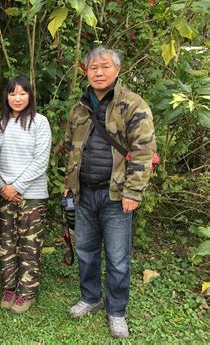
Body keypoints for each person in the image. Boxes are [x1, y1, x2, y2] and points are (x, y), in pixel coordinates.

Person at [64, 47, 157, 338]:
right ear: (86, 72)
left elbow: (144, 152)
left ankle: (116, 310)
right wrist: (69, 183)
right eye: (93, 68)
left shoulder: (133, 105)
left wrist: (133, 192)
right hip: (84, 194)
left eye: (105, 67)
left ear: (117, 70)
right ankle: (90, 297)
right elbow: (69, 148)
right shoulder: (79, 107)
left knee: (117, 258)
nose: (99, 72)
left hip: (117, 196)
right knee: (85, 251)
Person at [0, 76, 52, 315]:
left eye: (22, 93)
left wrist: (17, 187)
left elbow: (41, 160)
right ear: (6, 97)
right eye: (12, 93)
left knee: (29, 246)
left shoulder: (40, 122)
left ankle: (26, 292)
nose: (17, 98)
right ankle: (9, 288)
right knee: (6, 244)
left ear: (30, 96)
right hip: (4, 193)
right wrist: (2, 187)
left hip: (32, 195)